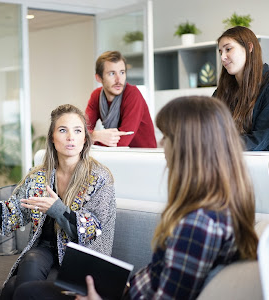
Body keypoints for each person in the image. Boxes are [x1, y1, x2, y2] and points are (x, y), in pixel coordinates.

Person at [76, 96, 258, 299]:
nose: (161, 145)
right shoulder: (219, 207)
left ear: (187, 147)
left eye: (167, 136)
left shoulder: (198, 225)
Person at [0, 104, 116, 300]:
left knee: (14, 287)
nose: (71, 137)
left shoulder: (99, 177)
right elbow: (11, 215)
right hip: (45, 251)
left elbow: (91, 231)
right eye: (63, 130)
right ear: (52, 139)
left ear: (85, 139)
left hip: (82, 258)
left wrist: (57, 209)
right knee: (31, 258)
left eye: (77, 131)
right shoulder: (39, 176)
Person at [85, 51, 156, 148]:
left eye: (122, 72)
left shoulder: (132, 94)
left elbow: (122, 141)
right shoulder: (96, 96)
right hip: (117, 155)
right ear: (99, 78)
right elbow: (81, 131)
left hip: (143, 157)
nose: (118, 79)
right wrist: (95, 135)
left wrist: (91, 138)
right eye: (112, 73)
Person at [215, 26, 269, 150]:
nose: (223, 57)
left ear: (249, 47)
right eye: (220, 52)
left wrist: (219, 145)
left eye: (228, 49)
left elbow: (261, 138)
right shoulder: (222, 90)